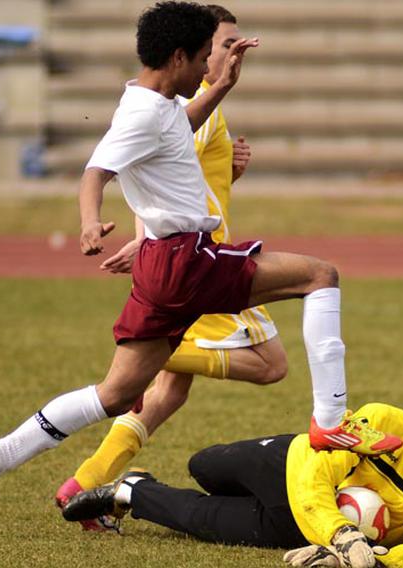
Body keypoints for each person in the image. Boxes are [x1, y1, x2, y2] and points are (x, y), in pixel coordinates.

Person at [0, 1, 401, 535]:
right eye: (205, 59)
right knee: (320, 275)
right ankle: (330, 424)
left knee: (115, 394)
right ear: (179, 56)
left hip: (167, 269)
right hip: (187, 259)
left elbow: (179, 126)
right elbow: (95, 171)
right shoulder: (140, 112)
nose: (207, 67)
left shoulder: (159, 101)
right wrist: (90, 223)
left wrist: (223, 86)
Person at [54, 5, 290, 530]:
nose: (225, 54)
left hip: (189, 259)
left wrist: (231, 170)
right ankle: (159, 360)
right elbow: (151, 183)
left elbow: (185, 179)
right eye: (220, 45)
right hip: (200, 267)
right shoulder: (183, 108)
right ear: (193, 53)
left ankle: (82, 485)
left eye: (229, 45)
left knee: (165, 395)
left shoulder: (204, 109)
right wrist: (145, 243)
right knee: (271, 365)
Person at [62, 399, 403, 568]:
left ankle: (130, 491)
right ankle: (144, 485)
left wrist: (353, 560)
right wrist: (343, 534)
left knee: (201, 520)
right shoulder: (385, 421)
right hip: (288, 465)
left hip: (301, 527)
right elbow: (316, 478)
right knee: (203, 466)